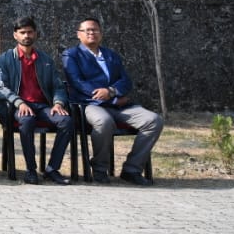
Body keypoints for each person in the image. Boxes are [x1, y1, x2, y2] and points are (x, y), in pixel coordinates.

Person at [63, 17, 164, 186]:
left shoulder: (111, 55)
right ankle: (100, 169)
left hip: (119, 104)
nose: (91, 33)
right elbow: (77, 82)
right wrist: (107, 96)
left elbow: (125, 81)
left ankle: (132, 169)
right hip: (89, 104)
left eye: (95, 30)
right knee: (104, 121)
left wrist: (111, 92)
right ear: (78, 34)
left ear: (101, 34)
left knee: (153, 120)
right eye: (87, 30)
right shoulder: (71, 55)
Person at [0, 16, 73, 185]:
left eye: (29, 32)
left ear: (36, 34)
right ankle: (31, 170)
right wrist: (19, 102)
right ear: (15, 35)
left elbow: (58, 86)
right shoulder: (5, 59)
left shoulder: (45, 60)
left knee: (66, 121)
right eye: (22, 32)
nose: (26, 36)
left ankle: (52, 169)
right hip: (16, 107)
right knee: (27, 120)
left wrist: (58, 103)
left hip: (42, 106)